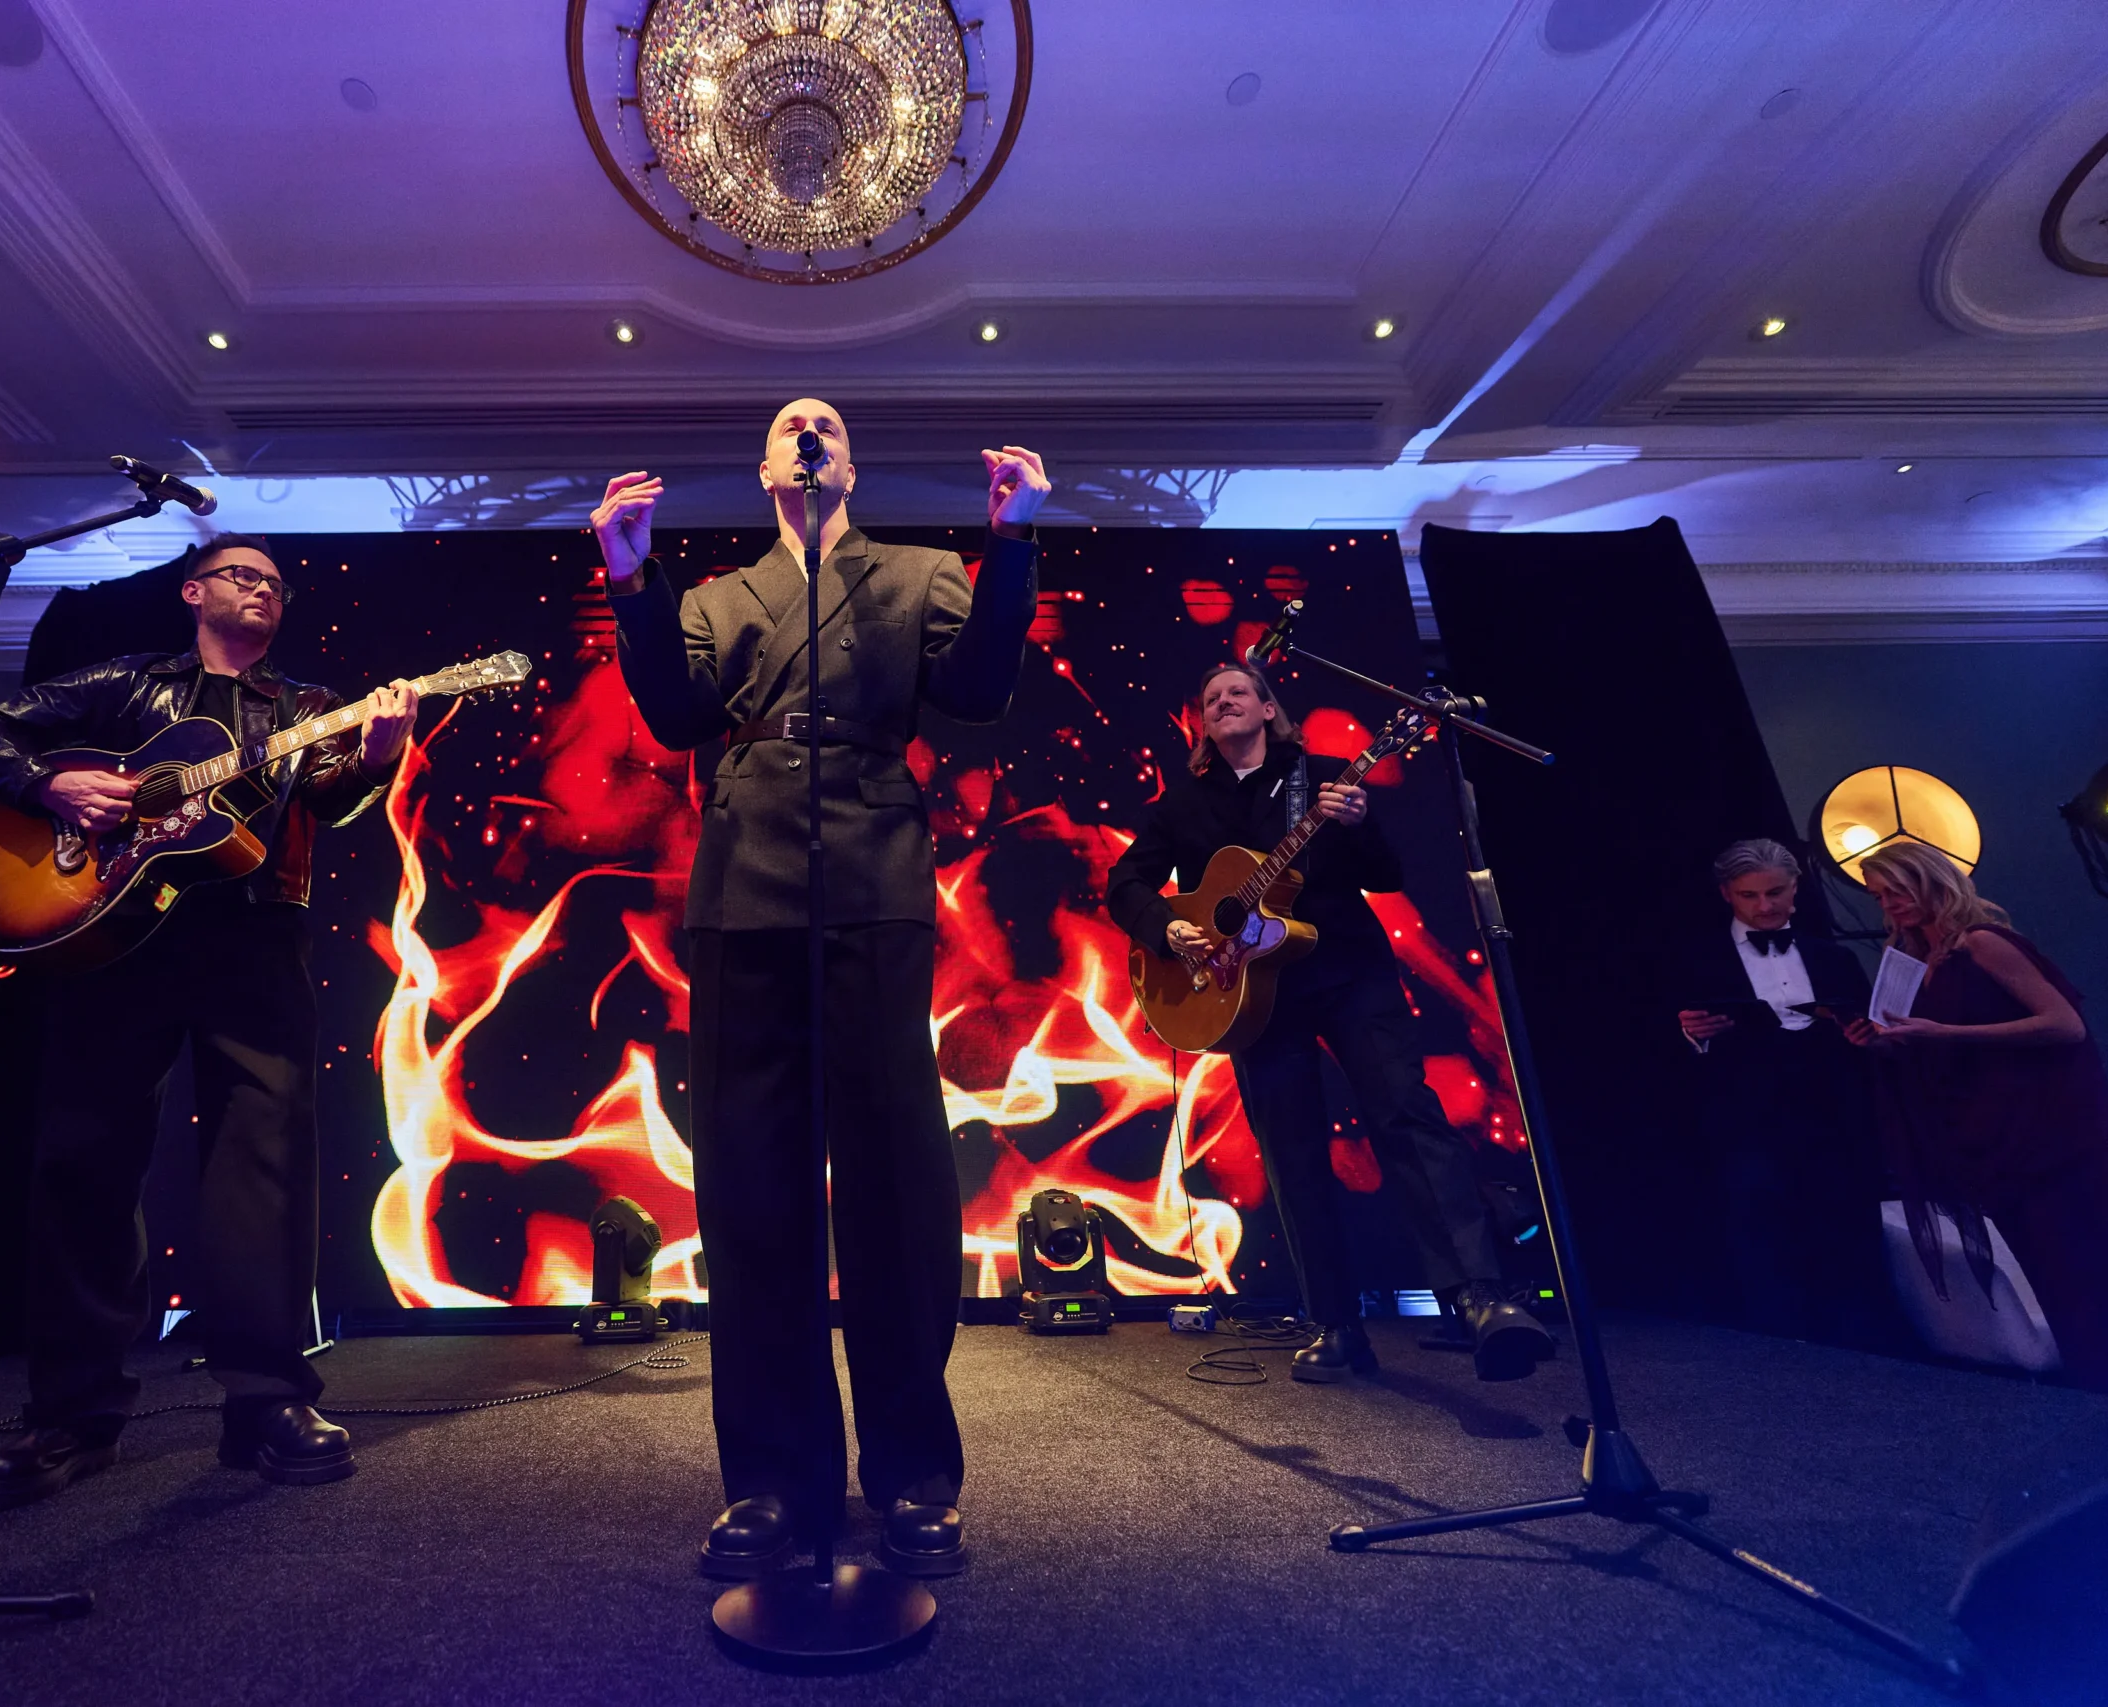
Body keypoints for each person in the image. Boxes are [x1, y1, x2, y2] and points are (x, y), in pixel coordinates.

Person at [592, 401, 1044, 1580]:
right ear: (765, 470)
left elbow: (979, 691)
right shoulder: (714, 598)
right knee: (753, 1187)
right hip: (743, 880)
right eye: (790, 425)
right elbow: (676, 715)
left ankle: (913, 1473)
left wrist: (1009, 545)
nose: (808, 434)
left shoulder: (918, 571)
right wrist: (630, 581)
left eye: (826, 425)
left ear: (850, 465)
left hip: (875, 872)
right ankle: (773, 1481)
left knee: (895, 1179)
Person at [0, 533, 420, 1511]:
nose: (265, 592)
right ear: (194, 592)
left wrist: (378, 754)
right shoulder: (126, 682)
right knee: (84, 1159)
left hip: (252, 935)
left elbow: (330, 799)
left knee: (264, 1164)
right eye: (245, 576)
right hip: (111, 937)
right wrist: (46, 784)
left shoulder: (303, 707)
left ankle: (266, 1400)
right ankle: (72, 1413)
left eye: (278, 585)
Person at [1106, 662, 1553, 1383]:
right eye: (1211, 698)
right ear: (1203, 724)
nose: (1223, 701)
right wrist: (1167, 927)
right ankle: (1335, 1323)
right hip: (1250, 997)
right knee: (1292, 1153)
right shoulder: (1182, 805)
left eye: (1238, 691)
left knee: (1407, 1116)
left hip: (1348, 972)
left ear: (1268, 709)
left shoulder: (1323, 779)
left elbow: (1386, 875)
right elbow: (1124, 881)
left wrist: (1360, 824)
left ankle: (1478, 1298)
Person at [1845, 840, 2108, 1391]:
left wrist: (1946, 1033)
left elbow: (2065, 1025)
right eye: (1879, 897)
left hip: (2045, 1134)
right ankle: (2092, 1390)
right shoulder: (1914, 959)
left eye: (1898, 891)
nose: (1889, 905)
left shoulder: (1983, 943)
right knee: (2052, 1273)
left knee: (2082, 1266)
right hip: (1988, 1139)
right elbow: (1930, 1045)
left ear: (1931, 880)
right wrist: (1884, 1041)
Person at [1670, 838, 1885, 1343]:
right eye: (1750, 895)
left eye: (1775, 892)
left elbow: (1868, 1033)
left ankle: (1865, 1350)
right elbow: (1652, 1048)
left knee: (1844, 1231)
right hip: (1747, 1119)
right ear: (1726, 894)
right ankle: (1784, 1354)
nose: (1765, 906)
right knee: (1763, 1233)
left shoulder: (1835, 958)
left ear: (1796, 888)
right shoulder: (1697, 960)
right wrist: (1693, 1034)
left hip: (1831, 1116)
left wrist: (1863, 1035)